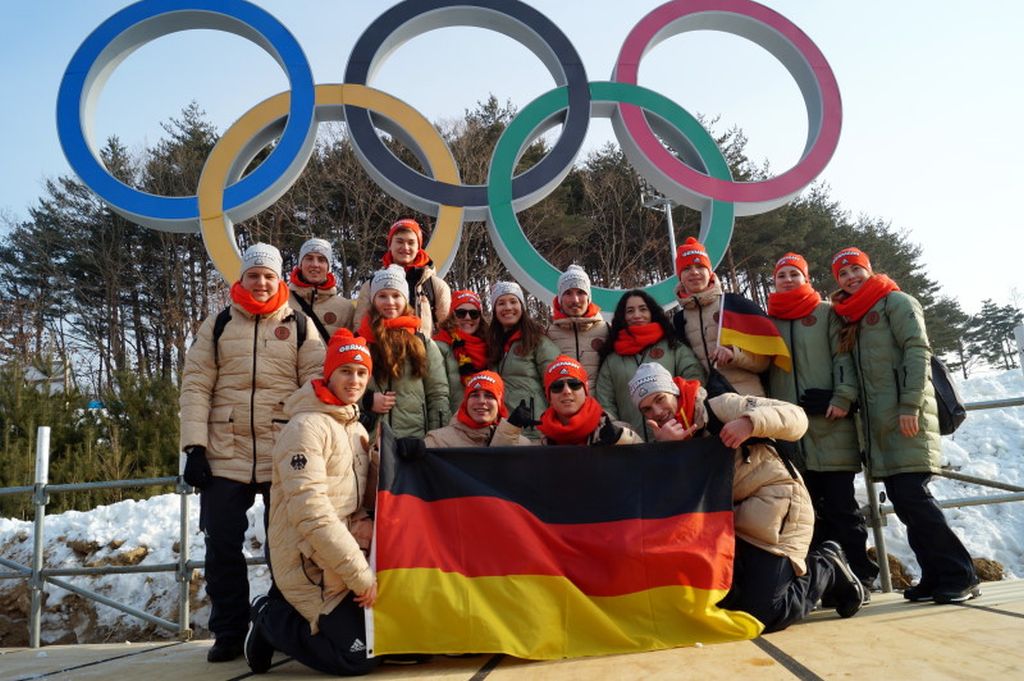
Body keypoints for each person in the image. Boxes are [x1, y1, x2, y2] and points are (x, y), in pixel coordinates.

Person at [627, 362, 866, 632]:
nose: (658, 411)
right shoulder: (664, 437)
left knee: (762, 615)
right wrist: (671, 451)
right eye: (647, 408)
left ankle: (826, 565)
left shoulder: (719, 406)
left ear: (674, 391)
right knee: (725, 608)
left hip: (777, 508)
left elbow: (796, 417)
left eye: (660, 399)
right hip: (732, 528)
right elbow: (681, 498)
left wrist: (749, 422)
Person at [179, 243, 324, 663]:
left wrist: (306, 441)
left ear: (279, 279)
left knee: (289, 545)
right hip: (225, 449)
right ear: (240, 279)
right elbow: (196, 385)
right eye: (253, 275)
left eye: (268, 275)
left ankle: (282, 628)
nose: (260, 283)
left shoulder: (299, 324)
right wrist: (194, 447)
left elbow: (314, 385)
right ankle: (229, 630)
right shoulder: (219, 323)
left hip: (282, 449)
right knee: (222, 544)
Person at [830, 246, 980, 603]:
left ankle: (961, 574)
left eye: (856, 269)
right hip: (881, 423)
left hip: (907, 415)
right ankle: (933, 575)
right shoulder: (852, 315)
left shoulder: (896, 302)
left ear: (869, 269)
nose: (851, 277)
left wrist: (910, 404)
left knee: (915, 495)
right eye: (843, 274)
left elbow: (917, 350)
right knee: (904, 499)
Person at [244, 328, 378, 676]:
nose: (354, 379)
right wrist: (361, 576)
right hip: (308, 562)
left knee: (391, 639)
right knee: (359, 657)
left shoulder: (356, 430)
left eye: (362, 372)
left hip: (340, 555)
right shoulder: (305, 428)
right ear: (328, 373)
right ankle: (269, 618)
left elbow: (358, 503)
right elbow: (312, 514)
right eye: (346, 370)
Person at [765, 253, 876, 588]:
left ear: (806, 278)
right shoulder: (768, 321)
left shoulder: (826, 312)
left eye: (794, 274)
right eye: (781, 275)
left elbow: (843, 355)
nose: (787, 279)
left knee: (843, 506)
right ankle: (824, 583)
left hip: (830, 422)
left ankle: (862, 574)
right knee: (805, 512)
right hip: (790, 431)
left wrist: (841, 396)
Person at [595, 288, 704, 441]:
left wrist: (681, 419)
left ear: (652, 312)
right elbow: (605, 403)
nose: (637, 315)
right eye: (630, 311)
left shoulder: (673, 347)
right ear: (623, 316)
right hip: (632, 448)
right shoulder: (612, 359)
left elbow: (694, 381)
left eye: (643, 309)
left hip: (678, 439)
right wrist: (621, 435)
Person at [357, 264, 450, 437]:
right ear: (373, 300)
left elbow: (438, 394)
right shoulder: (360, 341)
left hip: (414, 440)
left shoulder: (423, 342)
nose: (390, 302)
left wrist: (435, 439)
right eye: (382, 296)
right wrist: (366, 401)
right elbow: (339, 388)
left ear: (405, 299)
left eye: (396, 295)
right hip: (370, 441)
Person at [672, 237, 769, 395]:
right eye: (687, 268)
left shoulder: (735, 305)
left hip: (748, 400)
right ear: (680, 276)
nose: (694, 272)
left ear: (710, 272)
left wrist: (735, 355)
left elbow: (765, 362)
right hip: (707, 408)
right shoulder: (678, 321)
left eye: (700, 266)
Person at [353, 218, 451, 336]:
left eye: (411, 242)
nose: (405, 247)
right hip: (381, 351)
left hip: (422, 352)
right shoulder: (371, 285)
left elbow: (446, 330)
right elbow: (360, 327)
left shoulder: (436, 286)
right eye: (399, 241)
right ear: (390, 245)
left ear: (418, 247)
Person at [486, 281, 560, 437]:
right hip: (501, 429)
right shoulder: (492, 345)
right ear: (494, 309)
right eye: (501, 303)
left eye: (513, 301)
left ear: (522, 306)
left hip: (533, 430)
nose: (507, 307)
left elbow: (557, 384)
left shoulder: (538, 341)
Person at [520, 355, 642, 446]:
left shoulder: (616, 430)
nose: (567, 391)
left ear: (585, 390)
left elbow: (641, 462)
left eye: (574, 384)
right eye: (557, 386)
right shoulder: (540, 438)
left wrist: (620, 439)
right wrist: (510, 428)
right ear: (548, 396)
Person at [424, 370, 532, 447]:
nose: (481, 401)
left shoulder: (522, 445)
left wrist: (508, 434)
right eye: (474, 395)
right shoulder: (437, 442)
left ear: (499, 403)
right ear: (466, 402)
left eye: (489, 396)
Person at [545, 264, 608, 391]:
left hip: (599, 408)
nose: (575, 300)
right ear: (560, 299)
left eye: (581, 292)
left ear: (589, 297)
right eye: (568, 293)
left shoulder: (607, 331)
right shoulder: (547, 335)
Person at [433, 289, 490, 413]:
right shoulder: (439, 346)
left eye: (474, 313)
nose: (468, 318)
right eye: (461, 313)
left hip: (487, 419)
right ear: (452, 315)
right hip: (453, 422)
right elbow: (435, 393)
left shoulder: (492, 346)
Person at [288, 237, 354, 343]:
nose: (315, 264)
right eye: (309, 258)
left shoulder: (345, 308)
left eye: (321, 260)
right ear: (300, 263)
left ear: (328, 267)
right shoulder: (282, 301)